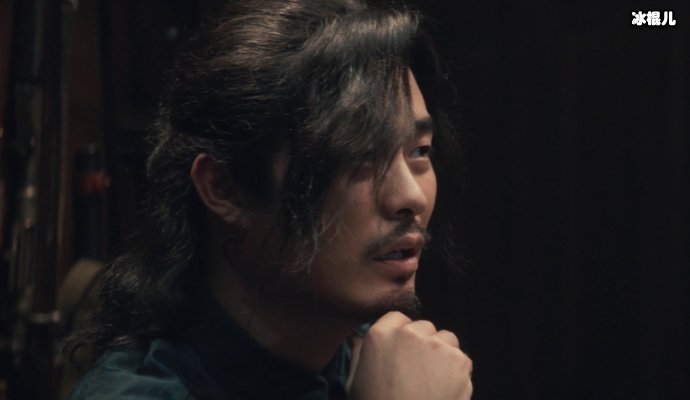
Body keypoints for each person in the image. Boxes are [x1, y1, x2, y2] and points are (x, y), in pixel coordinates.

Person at [64, 0, 473, 399]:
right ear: (225, 188)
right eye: (358, 155)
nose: (411, 196)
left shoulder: (379, 363)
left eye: (419, 151)